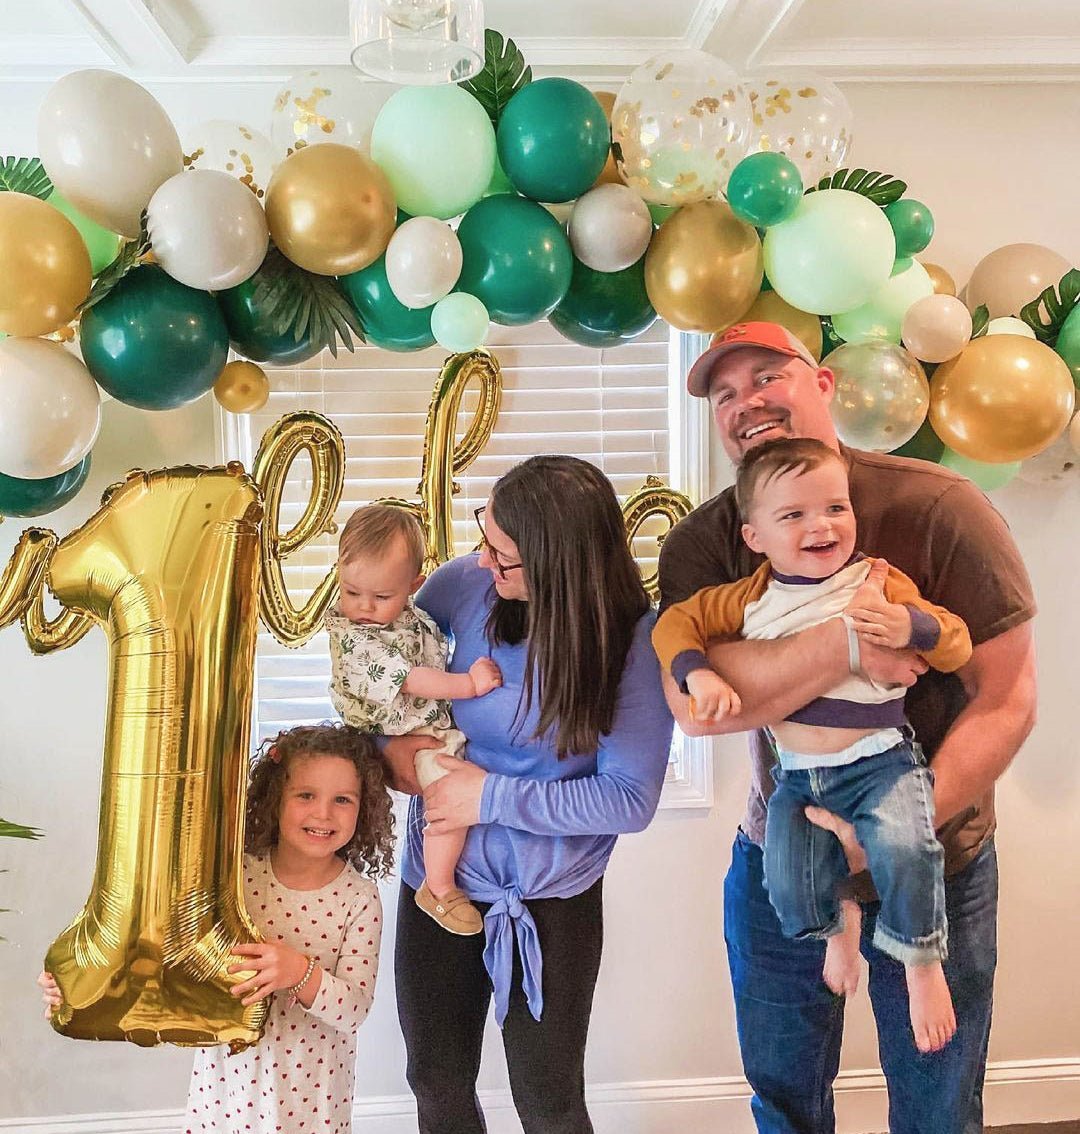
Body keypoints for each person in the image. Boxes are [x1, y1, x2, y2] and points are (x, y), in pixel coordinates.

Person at [658, 321, 1036, 1134]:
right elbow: (701, 700)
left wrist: (894, 830)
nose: (746, 401)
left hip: (937, 855)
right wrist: (847, 641)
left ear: (824, 385)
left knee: (939, 1106)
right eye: (725, 392)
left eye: (768, 376)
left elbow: (1005, 695)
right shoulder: (708, 543)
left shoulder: (938, 508)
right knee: (785, 1102)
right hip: (782, 850)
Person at [380, 454, 674, 1134]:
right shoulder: (462, 587)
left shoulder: (634, 644)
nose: (482, 561)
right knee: (436, 1078)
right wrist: (391, 755)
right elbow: (381, 679)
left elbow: (628, 798)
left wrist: (491, 797)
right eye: (485, 536)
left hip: (550, 901)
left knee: (548, 1099)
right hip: (438, 883)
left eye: (503, 555)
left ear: (560, 564)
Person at [653, 436, 973, 1054]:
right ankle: (838, 924)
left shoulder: (878, 580)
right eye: (793, 515)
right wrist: (700, 673)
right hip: (798, 775)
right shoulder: (747, 597)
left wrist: (913, 625)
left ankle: (921, 963)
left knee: (907, 847)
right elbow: (674, 625)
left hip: (881, 763)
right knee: (785, 879)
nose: (820, 526)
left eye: (835, 508)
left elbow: (955, 642)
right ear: (755, 538)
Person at [41, 723, 396, 1134]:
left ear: (363, 807)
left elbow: (353, 1010)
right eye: (305, 795)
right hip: (228, 1087)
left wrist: (298, 973)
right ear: (275, 798)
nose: (323, 813)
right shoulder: (234, 877)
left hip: (311, 1095)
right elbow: (159, 949)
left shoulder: (358, 898)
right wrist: (74, 982)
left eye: (342, 800)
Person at [325, 504, 502, 936]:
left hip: (423, 725)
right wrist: (470, 686)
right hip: (401, 728)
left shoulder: (412, 615)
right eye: (351, 592)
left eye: (381, 596)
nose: (363, 607)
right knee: (448, 794)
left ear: (413, 586)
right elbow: (411, 680)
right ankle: (438, 885)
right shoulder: (354, 637)